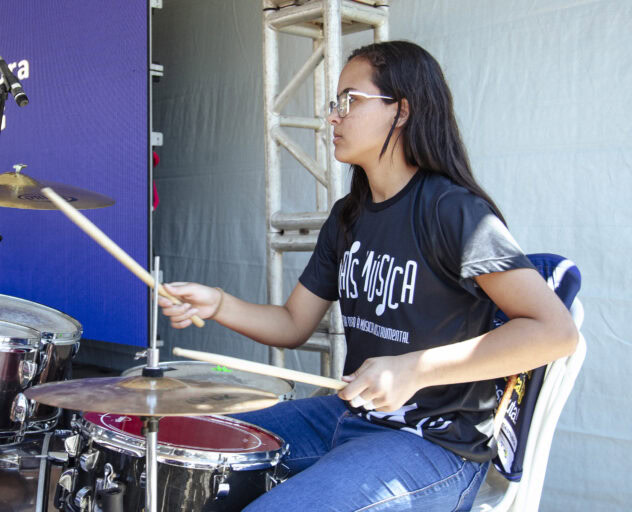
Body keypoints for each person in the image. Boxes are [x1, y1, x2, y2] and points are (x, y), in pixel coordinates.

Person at [158, 41, 578, 511]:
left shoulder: (453, 211)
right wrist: (219, 303)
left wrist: (414, 369)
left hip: (434, 446)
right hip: (348, 414)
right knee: (184, 454)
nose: (332, 117)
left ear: (401, 111)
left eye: (349, 101)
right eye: (334, 103)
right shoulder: (347, 217)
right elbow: (293, 324)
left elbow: (554, 332)